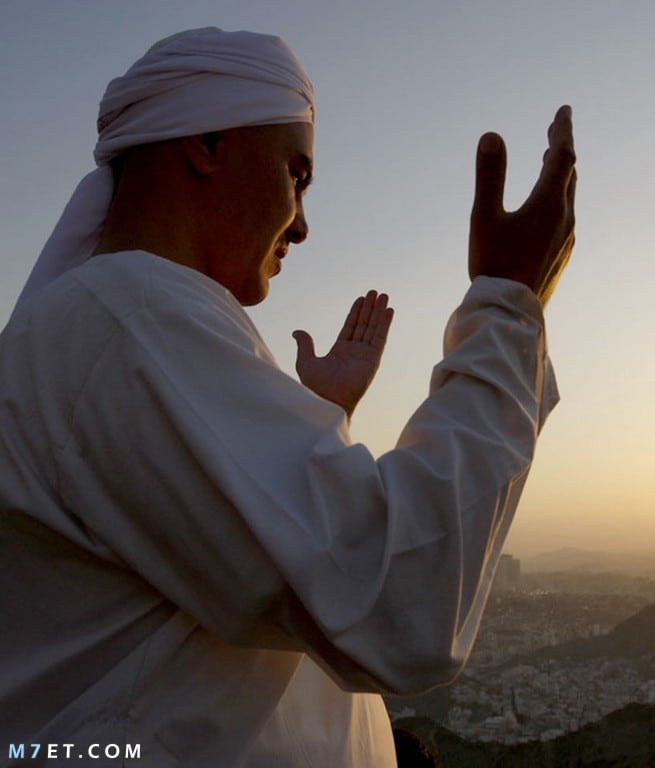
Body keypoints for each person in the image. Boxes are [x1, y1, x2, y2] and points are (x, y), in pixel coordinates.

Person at [0, 27, 575, 767]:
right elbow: (406, 601)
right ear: (205, 143)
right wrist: (509, 306)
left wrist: (323, 425)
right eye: (296, 174)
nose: (302, 223)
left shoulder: (115, 326)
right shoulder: (130, 315)